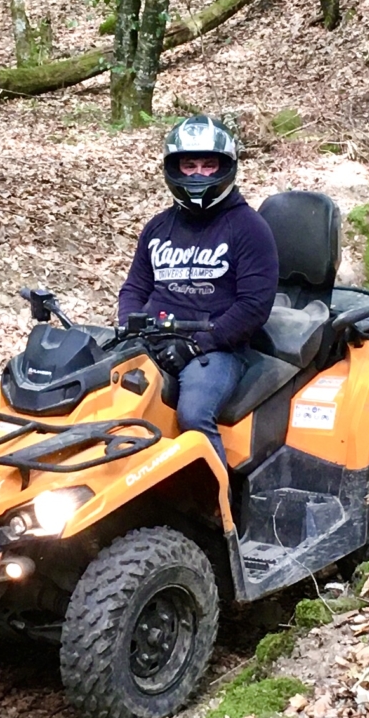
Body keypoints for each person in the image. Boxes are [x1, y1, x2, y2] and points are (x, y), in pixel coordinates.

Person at [116, 116, 279, 470]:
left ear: (226, 168)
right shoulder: (158, 227)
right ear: (174, 168)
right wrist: (131, 326)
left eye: (209, 165)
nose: (198, 174)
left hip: (218, 347)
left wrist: (195, 345)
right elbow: (134, 288)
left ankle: (219, 510)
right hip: (154, 338)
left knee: (193, 414)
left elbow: (254, 306)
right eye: (189, 165)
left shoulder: (249, 228)